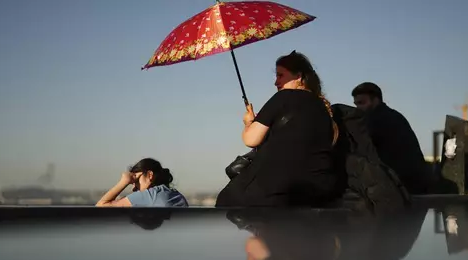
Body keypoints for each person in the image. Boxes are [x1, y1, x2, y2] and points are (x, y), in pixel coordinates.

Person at [215, 50, 343, 207]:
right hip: (319, 190)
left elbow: (250, 139)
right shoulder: (323, 108)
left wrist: (248, 122)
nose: (276, 82)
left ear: (299, 76)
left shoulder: (283, 97)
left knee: (226, 203)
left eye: (280, 75)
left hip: (277, 192)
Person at [351, 82, 431, 194]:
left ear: (375, 100)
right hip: (415, 185)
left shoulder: (374, 120)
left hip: (400, 187)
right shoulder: (395, 116)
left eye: (362, 103)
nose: (358, 108)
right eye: (356, 104)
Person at [95, 158, 188, 207]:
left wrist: (124, 182)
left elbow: (101, 206)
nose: (134, 188)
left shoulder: (150, 195)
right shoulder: (177, 195)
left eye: (136, 181)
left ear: (149, 175)